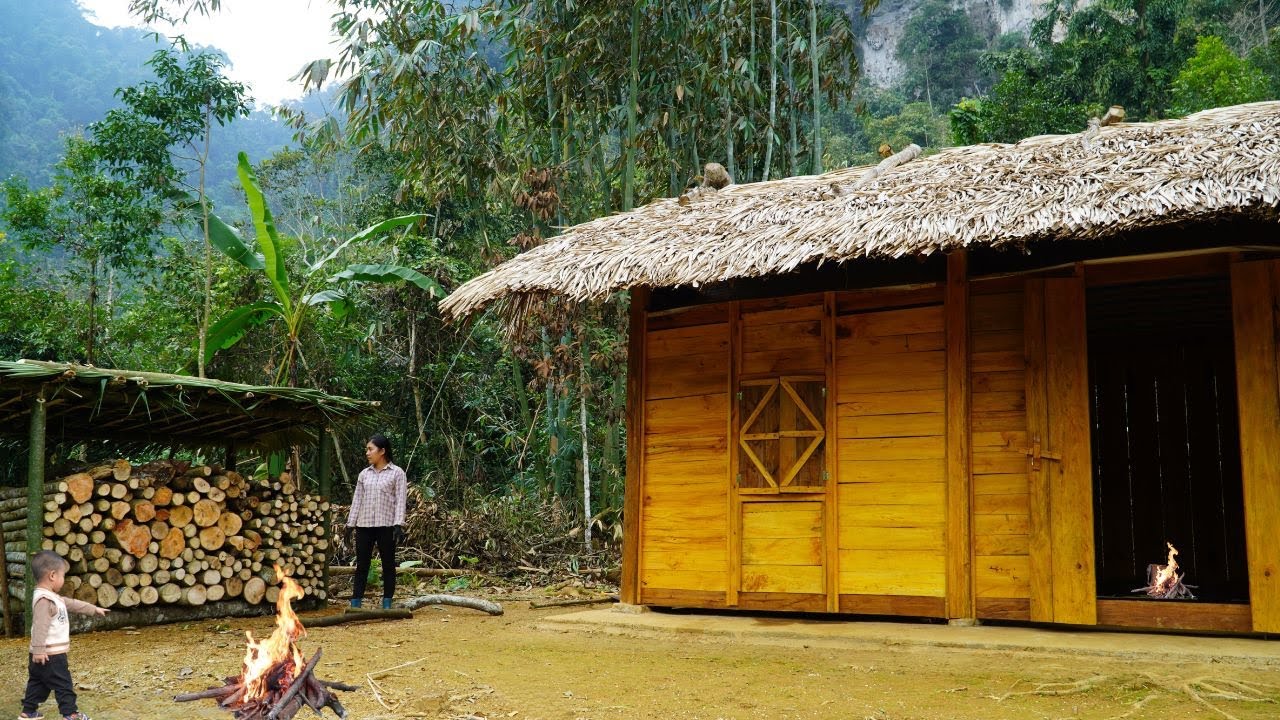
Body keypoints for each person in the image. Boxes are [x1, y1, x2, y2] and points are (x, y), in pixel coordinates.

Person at [20, 550, 108, 720]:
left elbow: (72, 603)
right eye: (62, 576)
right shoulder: (44, 600)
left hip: (42, 654)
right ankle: (71, 714)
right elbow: (39, 625)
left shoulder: (54, 598)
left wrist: (93, 609)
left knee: (38, 683)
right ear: (52, 575)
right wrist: (39, 649)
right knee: (63, 684)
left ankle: (28, 711)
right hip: (51, 654)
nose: (63, 580)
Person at [347, 433, 408, 609]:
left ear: (382, 451)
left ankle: (387, 602)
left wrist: (398, 524)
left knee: (388, 564)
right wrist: (350, 526)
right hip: (364, 525)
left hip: (386, 525)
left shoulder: (397, 473)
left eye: (370, 449)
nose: (367, 453)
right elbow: (357, 500)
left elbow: (400, 500)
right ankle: (356, 602)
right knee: (362, 565)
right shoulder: (364, 475)